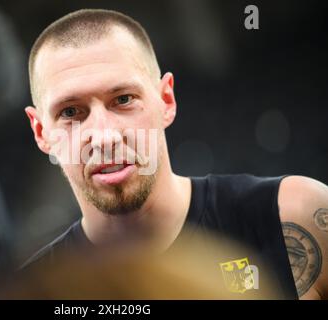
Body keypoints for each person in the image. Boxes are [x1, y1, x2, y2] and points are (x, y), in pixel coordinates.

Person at [22, 9, 328, 299]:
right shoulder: (32, 291)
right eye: (71, 111)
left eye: (124, 99)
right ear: (41, 132)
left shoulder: (294, 213)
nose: (104, 136)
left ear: (166, 99)